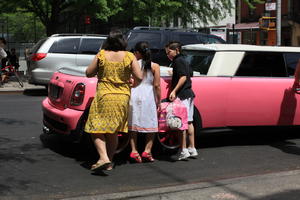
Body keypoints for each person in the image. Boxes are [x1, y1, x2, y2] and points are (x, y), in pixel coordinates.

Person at [84, 30, 143, 171]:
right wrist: (133, 84)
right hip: (122, 97)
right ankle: (109, 163)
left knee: (95, 128)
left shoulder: (102, 55)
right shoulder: (129, 56)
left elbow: (88, 73)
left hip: (105, 96)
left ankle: (103, 157)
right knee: (113, 131)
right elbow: (139, 77)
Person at [128, 41, 161, 163]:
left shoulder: (133, 64)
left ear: (137, 52)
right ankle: (147, 151)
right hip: (148, 96)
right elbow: (157, 85)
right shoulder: (155, 66)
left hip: (134, 94)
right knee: (152, 123)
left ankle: (134, 150)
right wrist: (159, 101)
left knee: (133, 124)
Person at [165, 41, 198, 161]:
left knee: (180, 123)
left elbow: (183, 76)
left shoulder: (177, 61)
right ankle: (192, 148)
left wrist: (174, 91)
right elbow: (189, 74)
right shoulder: (185, 60)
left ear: (177, 50)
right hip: (189, 93)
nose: (168, 54)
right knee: (189, 122)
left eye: (169, 52)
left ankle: (183, 150)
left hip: (182, 95)